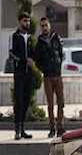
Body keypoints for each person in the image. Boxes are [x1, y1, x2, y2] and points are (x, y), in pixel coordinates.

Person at [33, 16, 65, 137]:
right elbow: (37, 60)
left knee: (61, 102)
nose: (44, 28)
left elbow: (61, 54)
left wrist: (58, 65)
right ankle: (52, 128)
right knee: (50, 104)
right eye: (42, 26)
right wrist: (44, 69)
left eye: (46, 25)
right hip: (47, 77)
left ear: (49, 25)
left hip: (57, 75)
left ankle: (60, 127)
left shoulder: (56, 38)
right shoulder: (39, 42)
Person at [9, 12, 36, 140]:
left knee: (26, 101)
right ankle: (17, 129)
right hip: (19, 73)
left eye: (29, 21)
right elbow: (11, 55)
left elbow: (34, 54)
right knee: (18, 101)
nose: (27, 23)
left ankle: (23, 128)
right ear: (20, 22)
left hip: (29, 74)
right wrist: (24, 61)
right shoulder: (14, 36)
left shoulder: (30, 38)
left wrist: (34, 61)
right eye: (25, 21)